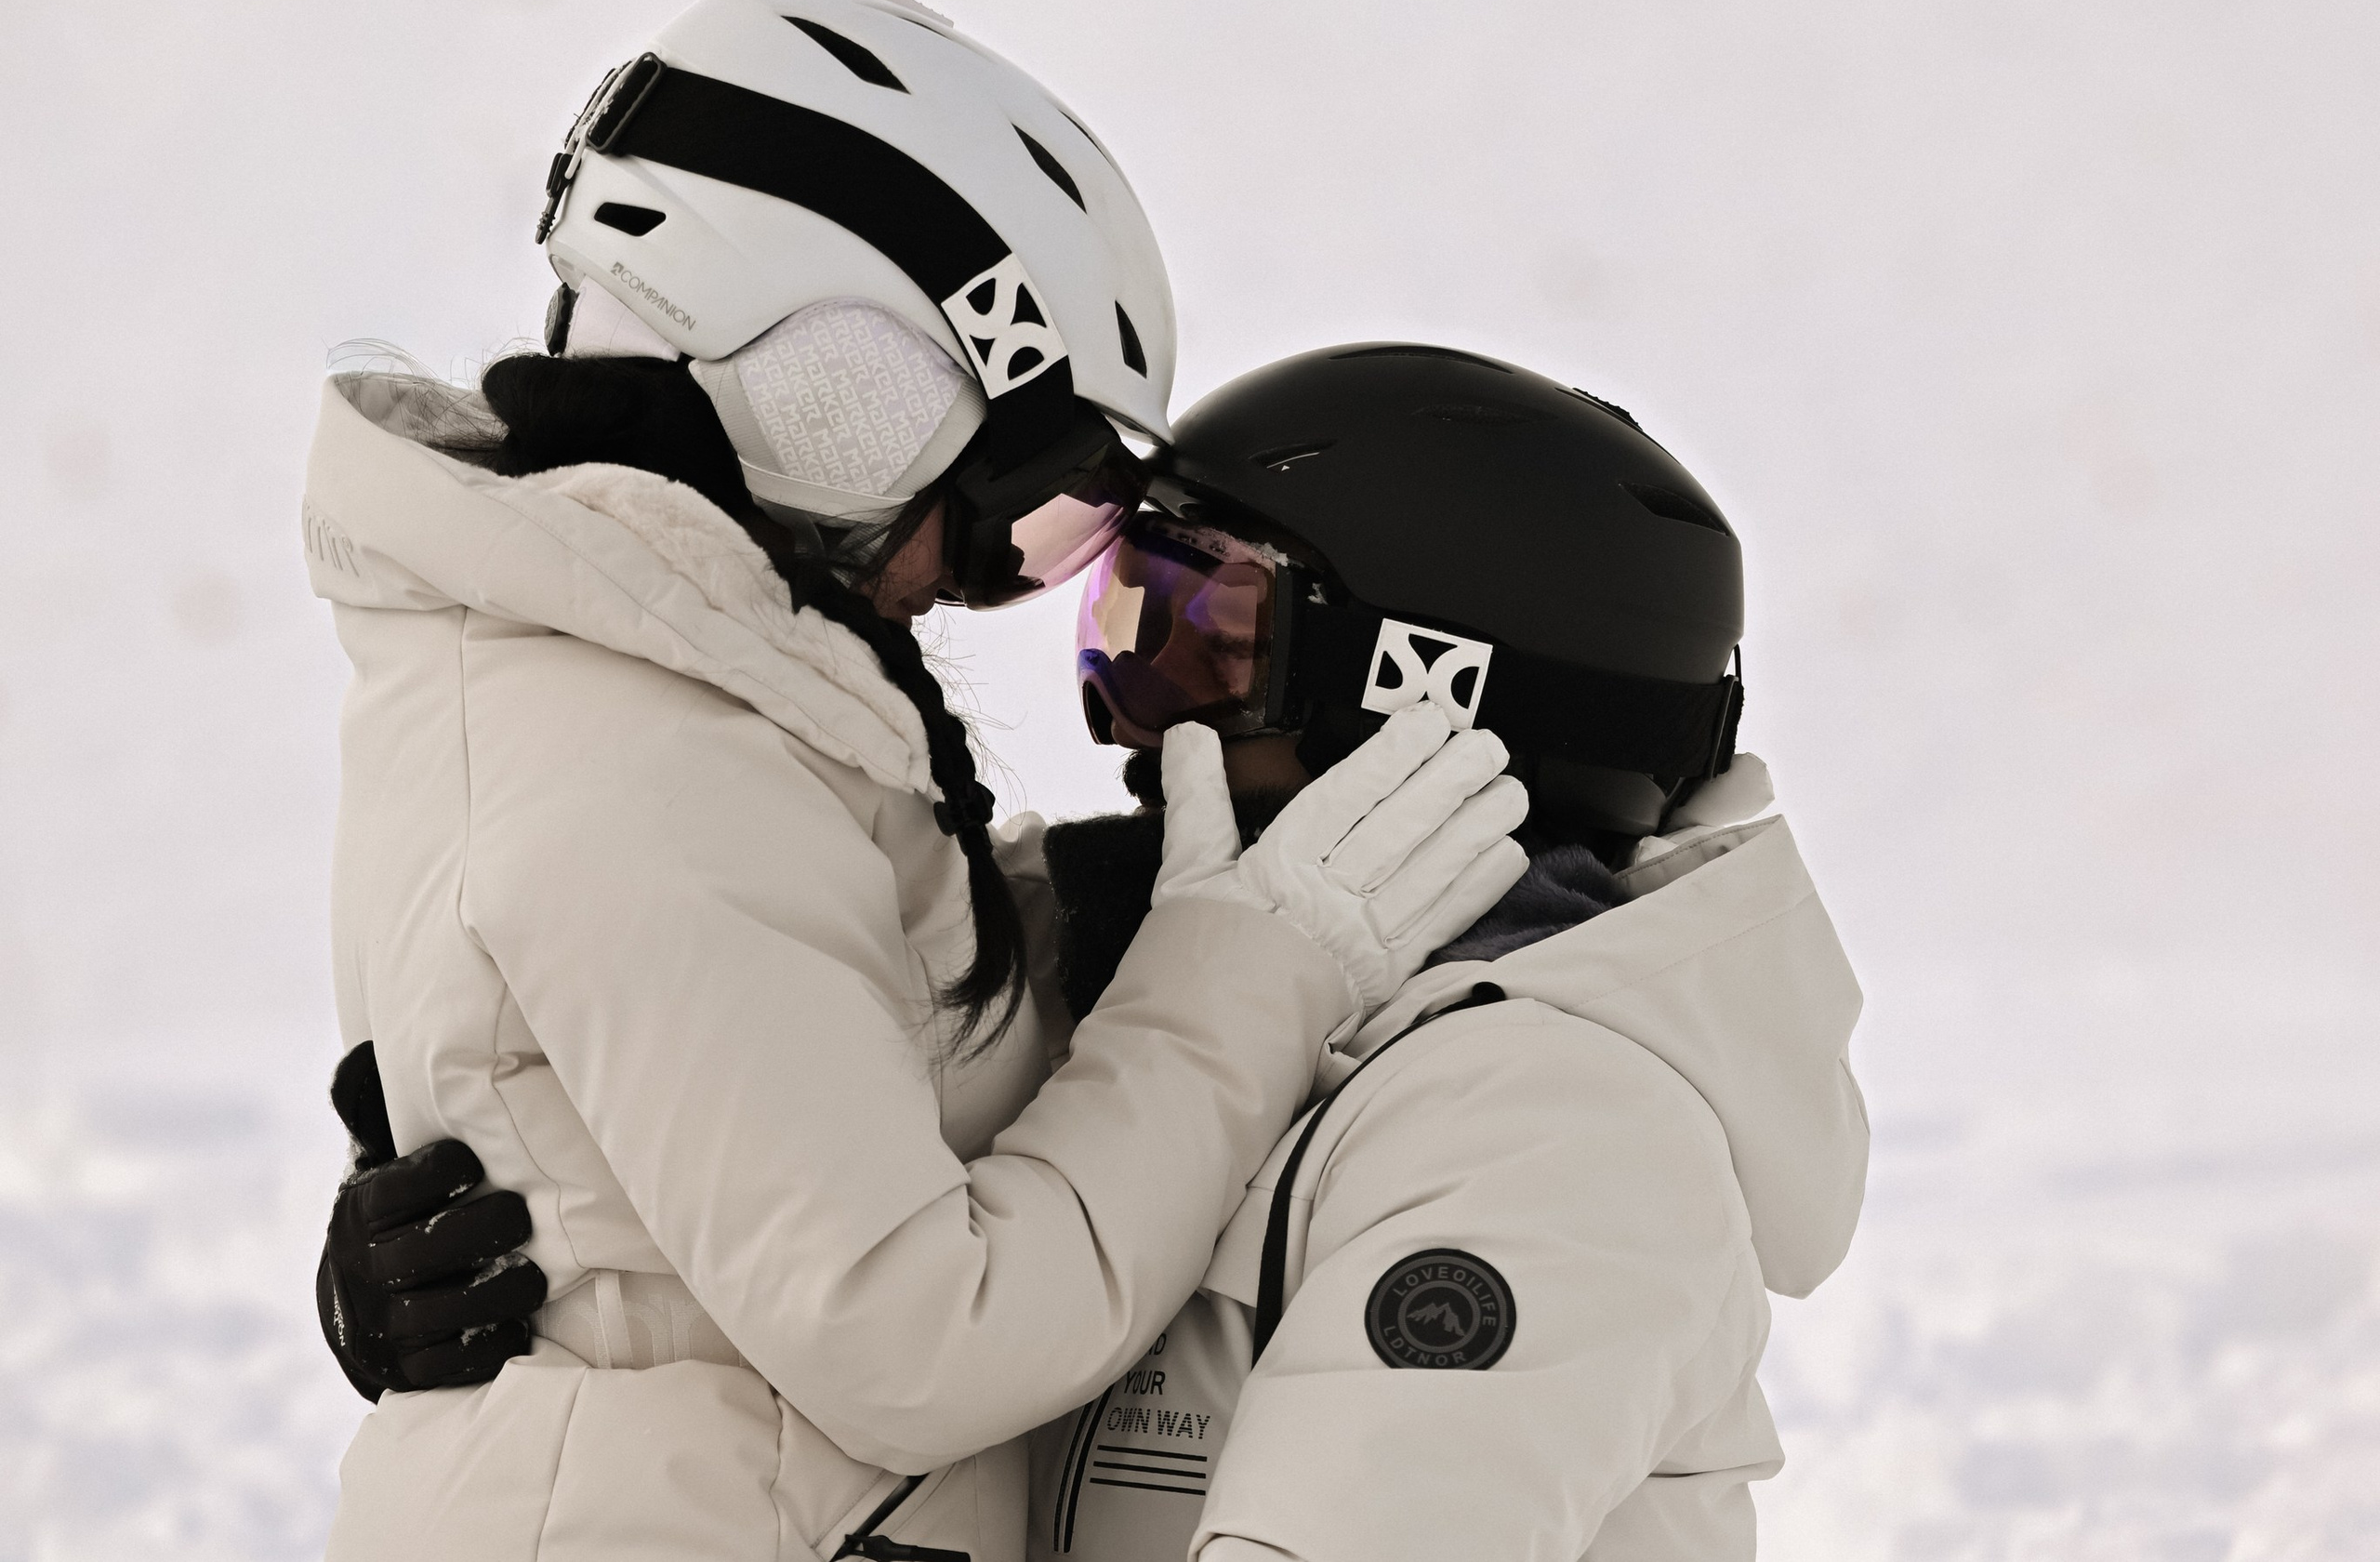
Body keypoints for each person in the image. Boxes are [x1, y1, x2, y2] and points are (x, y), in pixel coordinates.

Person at [303, 0, 1527, 1562]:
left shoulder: (610, 667)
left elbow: (829, 1012)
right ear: (850, 386)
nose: (972, 583)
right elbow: (922, 1337)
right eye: (1021, 507)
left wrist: (1111, 904)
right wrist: (1254, 971)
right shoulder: (654, 762)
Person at [329, 341, 1868, 1561]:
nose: (1129, 710)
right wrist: (537, 1250)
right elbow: (833, 1193)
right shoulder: (1192, 996)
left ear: (1419, 704)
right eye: (1122, 614)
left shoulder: (1547, 1138)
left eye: (1201, 633)